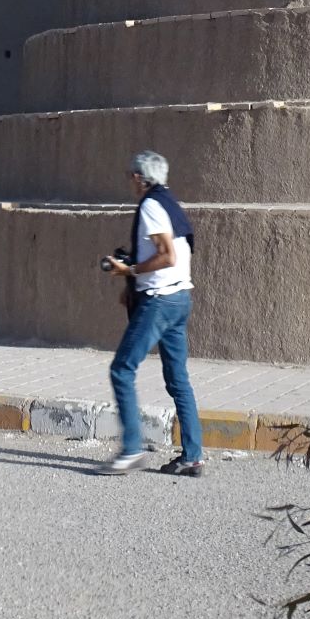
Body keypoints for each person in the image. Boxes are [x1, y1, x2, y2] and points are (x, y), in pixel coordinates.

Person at [99, 150, 205, 477]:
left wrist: (129, 270)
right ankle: (192, 456)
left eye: (130, 174)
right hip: (178, 299)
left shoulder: (150, 206)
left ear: (139, 177)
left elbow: (166, 255)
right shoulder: (171, 204)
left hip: (159, 301)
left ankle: (131, 450)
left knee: (122, 369)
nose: (129, 180)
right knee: (178, 379)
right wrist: (132, 278)